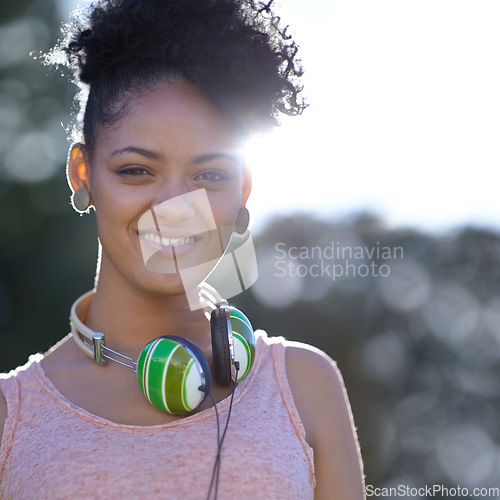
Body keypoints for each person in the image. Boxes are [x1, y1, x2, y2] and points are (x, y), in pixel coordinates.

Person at [0, 0, 365, 498]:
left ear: (243, 191)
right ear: (83, 175)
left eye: (209, 176)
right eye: (136, 170)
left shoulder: (306, 385)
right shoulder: (8, 414)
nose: (175, 206)